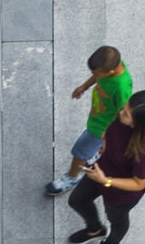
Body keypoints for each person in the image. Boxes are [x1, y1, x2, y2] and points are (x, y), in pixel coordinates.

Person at [67, 88, 145, 244]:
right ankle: (95, 229)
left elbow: (140, 183)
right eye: (124, 108)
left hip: (121, 192)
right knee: (77, 200)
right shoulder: (122, 117)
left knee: (116, 219)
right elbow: (110, 126)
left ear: (138, 124)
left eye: (126, 114)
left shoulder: (144, 147)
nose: (120, 113)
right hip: (102, 169)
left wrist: (106, 181)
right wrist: (104, 140)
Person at [47, 45, 133, 195]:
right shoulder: (112, 68)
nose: (94, 75)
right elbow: (98, 76)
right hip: (97, 118)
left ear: (110, 72)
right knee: (90, 149)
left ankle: (72, 177)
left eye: (96, 73)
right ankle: (99, 152)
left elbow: (123, 116)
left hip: (100, 128)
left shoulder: (121, 88)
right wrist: (84, 86)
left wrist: (107, 137)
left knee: (80, 152)